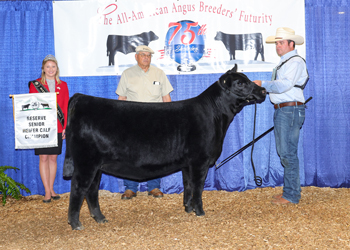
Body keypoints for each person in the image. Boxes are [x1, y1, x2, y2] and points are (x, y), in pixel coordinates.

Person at [253, 27, 308, 205]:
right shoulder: (285, 63)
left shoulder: (295, 62)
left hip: (290, 110)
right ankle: (290, 191)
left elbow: (284, 85)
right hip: (285, 109)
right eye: (276, 43)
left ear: (291, 44)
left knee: (287, 153)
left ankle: (291, 195)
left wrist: (263, 84)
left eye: (281, 42)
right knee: (286, 152)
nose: (278, 46)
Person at [116, 45, 174, 200]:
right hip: (132, 122)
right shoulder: (127, 74)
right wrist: (120, 122)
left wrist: (169, 120)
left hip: (155, 122)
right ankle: (130, 188)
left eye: (148, 55)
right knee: (130, 155)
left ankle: (154, 186)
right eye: (142, 55)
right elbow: (121, 99)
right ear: (136, 57)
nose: (146, 57)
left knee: (156, 155)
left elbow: (166, 98)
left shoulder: (159, 73)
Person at [29, 55, 69, 203]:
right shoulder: (35, 85)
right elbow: (32, 105)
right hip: (42, 126)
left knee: (53, 158)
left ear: (57, 68)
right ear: (43, 69)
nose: (51, 69)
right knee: (43, 158)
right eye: (48, 67)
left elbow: (65, 107)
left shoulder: (63, 85)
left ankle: (52, 188)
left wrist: (65, 126)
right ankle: (46, 190)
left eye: (53, 66)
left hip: (58, 126)